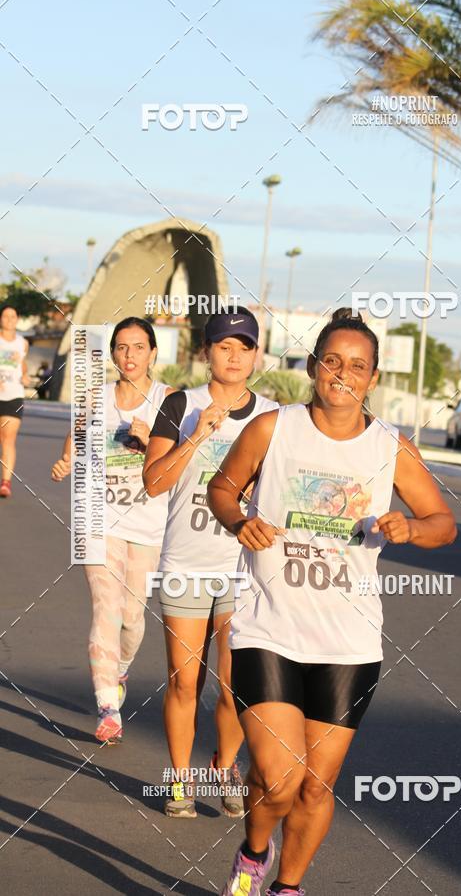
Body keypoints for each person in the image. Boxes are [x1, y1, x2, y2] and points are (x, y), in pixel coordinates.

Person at [208, 308, 457, 896]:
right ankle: (254, 851)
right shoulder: (273, 429)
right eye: (333, 361)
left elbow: (444, 523)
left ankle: (287, 887)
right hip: (268, 627)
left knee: (316, 787)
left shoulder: (389, 447)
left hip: (349, 643)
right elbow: (222, 488)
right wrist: (239, 521)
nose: (343, 374)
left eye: (358, 366)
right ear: (314, 365)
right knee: (278, 778)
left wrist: (412, 528)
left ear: (373, 378)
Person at [143, 306, 278, 819]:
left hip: (244, 568)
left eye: (245, 347)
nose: (235, 357)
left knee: (235, 685)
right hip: (185, 564)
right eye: (224, 346)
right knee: (184, 681)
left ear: (257, 355)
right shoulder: (181, 404)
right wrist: (197, 434)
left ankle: (224, 766)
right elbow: (154, 482)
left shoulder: (272, 417)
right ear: (207, 352)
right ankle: (180, 780)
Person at [51, 317, 175, 744]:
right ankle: (108, 707)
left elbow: (180, 460)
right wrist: (66, 462)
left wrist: (151, 442)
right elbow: (75, 439)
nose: (129, 355)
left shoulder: (168, 400)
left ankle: (119, 670)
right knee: (106, 607)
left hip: (148, 522)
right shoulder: (95, 397)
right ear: (113, 354)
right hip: (97, 518)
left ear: (153, 353)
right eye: (121, 347)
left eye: (138, 347)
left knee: (132, 617)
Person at [0, 305, 30, 498]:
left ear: (17, 319)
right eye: (5, 316)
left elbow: (22, 365)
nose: (9, 319)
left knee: (8, 438)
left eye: (13, 316)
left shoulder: (23, 343)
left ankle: (6, 482)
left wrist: (25, 375)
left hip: (14, 394)